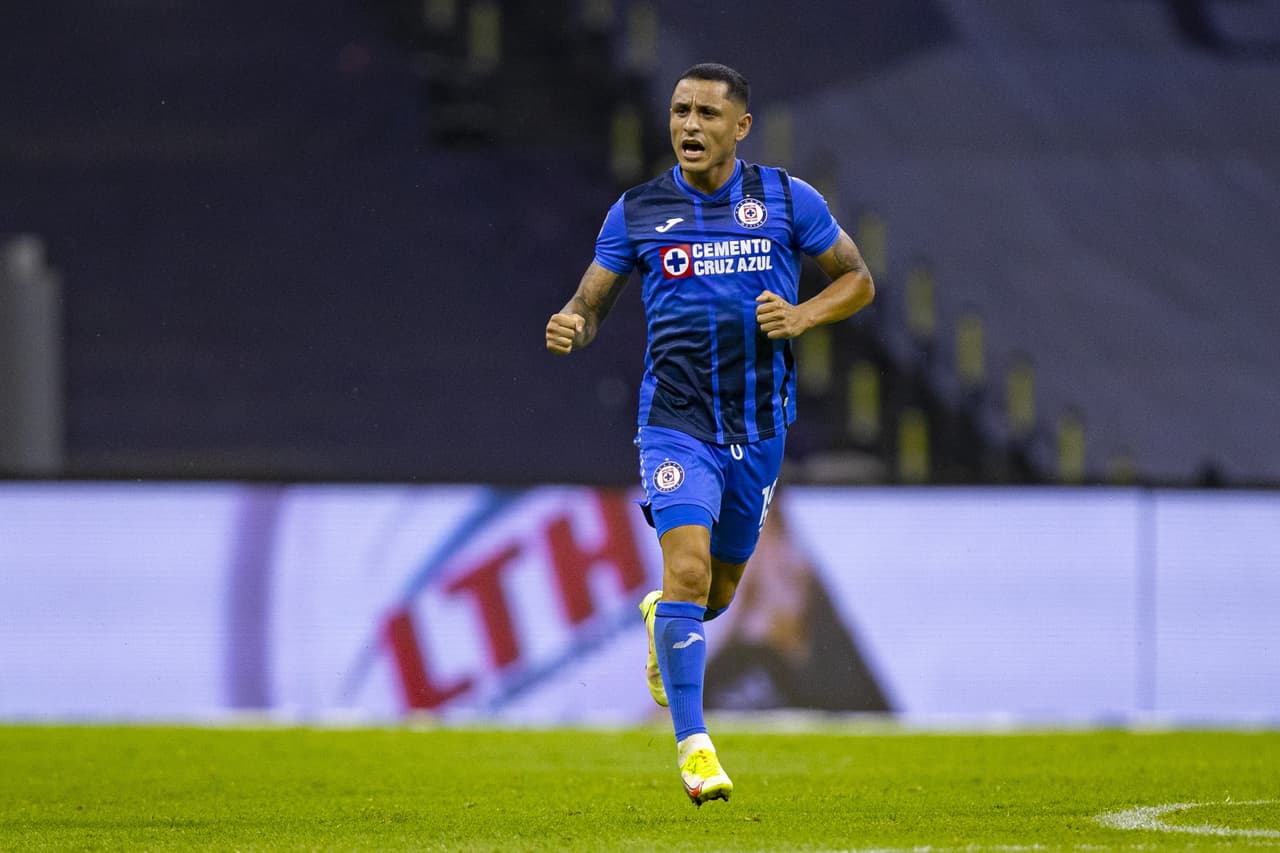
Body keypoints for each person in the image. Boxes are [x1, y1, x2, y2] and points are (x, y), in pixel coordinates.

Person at [544, 62, 875, 805]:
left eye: (706, 113)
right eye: (679, 111)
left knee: (716, 592)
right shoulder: (638, 211)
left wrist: (803, 315)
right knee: (688, 572)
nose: (689, 125)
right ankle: (695, 748)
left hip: (759, 427)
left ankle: (665, 622)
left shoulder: (788, 199)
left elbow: (858, 279)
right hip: (676, 422)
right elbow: (590, 304)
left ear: (741, 126)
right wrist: (573, 323)